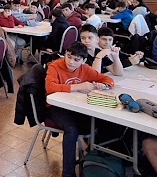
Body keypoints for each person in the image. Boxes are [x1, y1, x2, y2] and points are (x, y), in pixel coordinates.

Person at [45, 42, 115, 177]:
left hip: (75, 107)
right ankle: (68, 173)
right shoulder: (55, 66)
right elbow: (50, 88)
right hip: (55, 107)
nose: (71, 62)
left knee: (102, 121)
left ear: (83, 61)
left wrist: (103, 85)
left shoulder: (85, 68)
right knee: (71, 130)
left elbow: (107, 79)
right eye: (68, 56)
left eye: (76, 60)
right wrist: (78, 87)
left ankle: (92, 158)